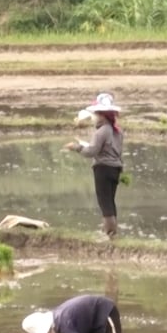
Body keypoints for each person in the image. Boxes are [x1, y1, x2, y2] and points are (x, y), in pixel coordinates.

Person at [64, 93, 124, 241]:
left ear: (102, 115)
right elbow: (116, 151)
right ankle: (111, 232)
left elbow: (91, 152)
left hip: (103, 169)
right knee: (110, 201)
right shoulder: (117, 130)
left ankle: (110, 234)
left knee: (105, 203)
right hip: (115, 169)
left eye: (96, 113)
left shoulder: (101, 131)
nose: (94, 116)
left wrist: (76, 147)